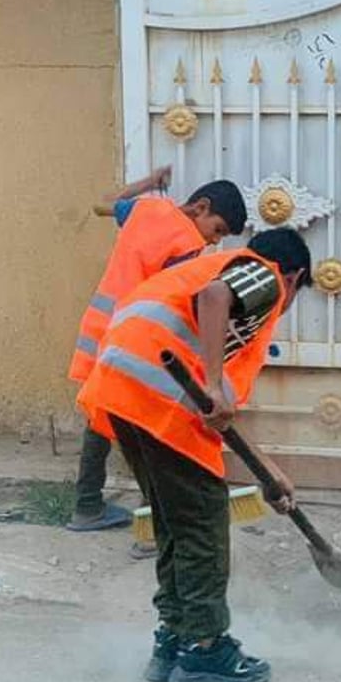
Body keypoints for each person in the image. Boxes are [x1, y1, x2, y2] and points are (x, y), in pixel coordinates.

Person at [76, 227, 311, 682]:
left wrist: (269, 471)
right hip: (161, 400)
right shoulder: (261, 273)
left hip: (125, 394)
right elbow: (216, 296)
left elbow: (218, 412)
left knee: (173, 523)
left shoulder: (198, 268)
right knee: (202, 523)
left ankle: (173, 639)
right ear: (294, 277)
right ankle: (205, 650)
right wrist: (212, 380)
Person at [66, 170, 248, 534]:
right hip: (137, 340)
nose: (214, 242)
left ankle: (87, 507)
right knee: (148, 427)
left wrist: (148, 182)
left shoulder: (145, 209)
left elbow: (102, 203)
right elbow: (180, 302)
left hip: (100, 329)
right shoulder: (187, 247)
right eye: (217, 230)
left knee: (99, 419)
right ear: (201, 207)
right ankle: (151, 531)